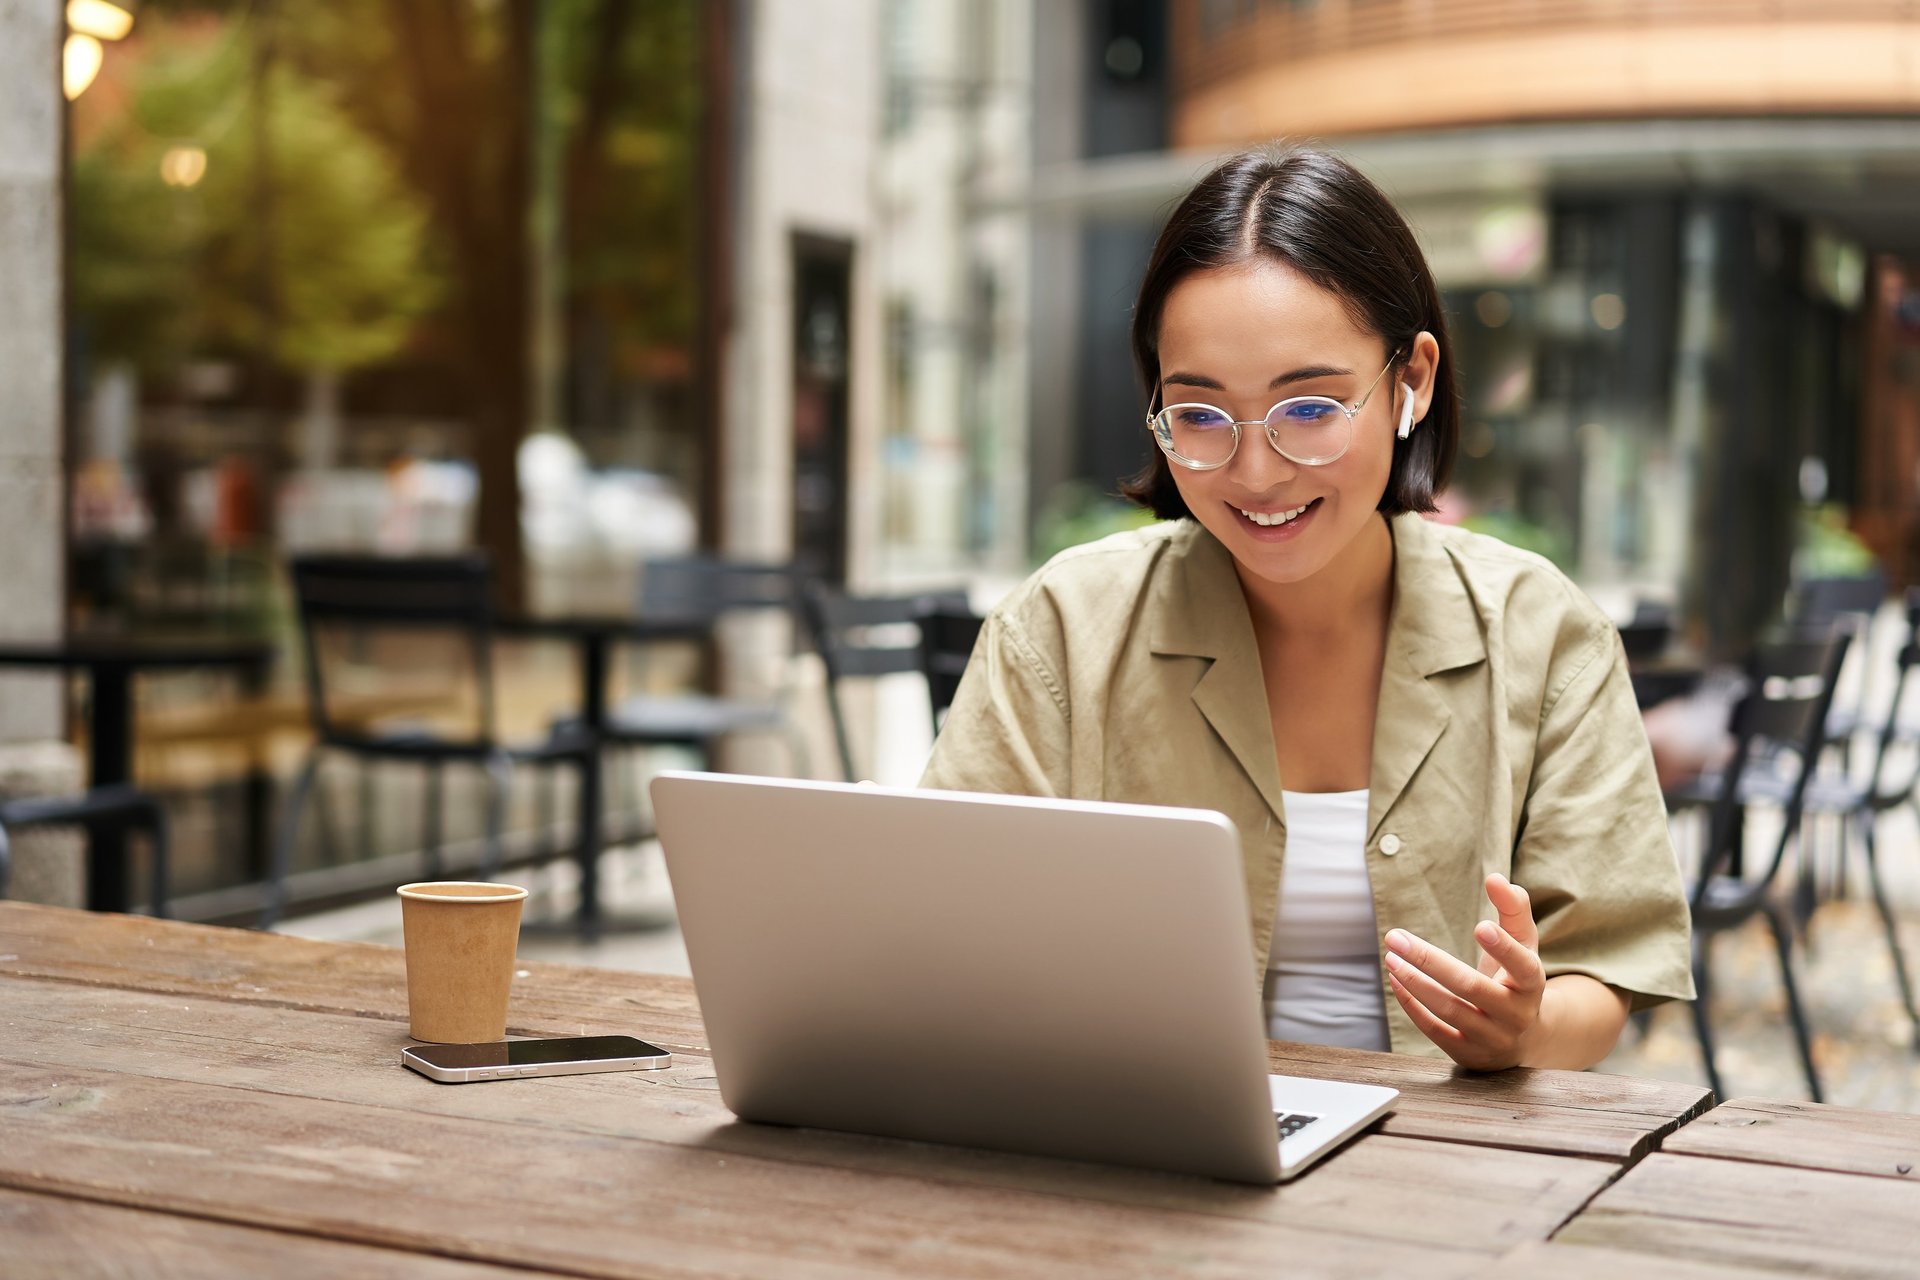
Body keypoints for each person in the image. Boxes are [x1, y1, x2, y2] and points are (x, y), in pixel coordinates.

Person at [921, 147, 1693, 1069]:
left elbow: (1600, 972)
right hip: (1143, 1163)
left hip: (1444, 1176)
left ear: (1412, 382)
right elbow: (943, 941)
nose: (1255, 473)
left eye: (1310, 409)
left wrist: (1523, 1029)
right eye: (1201, 417)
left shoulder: (1545, 636)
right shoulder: (1060, 634)